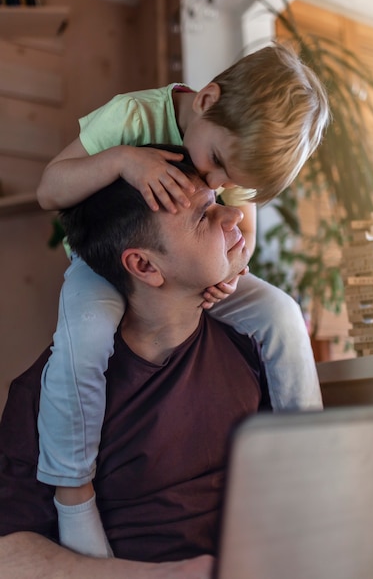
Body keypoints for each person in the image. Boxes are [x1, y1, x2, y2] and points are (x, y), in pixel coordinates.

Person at [36, 43, 329, 556]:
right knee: (81, 340)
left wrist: (233, 272)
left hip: (192, 264)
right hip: (103, 265)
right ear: (207, 99)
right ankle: (72, 495)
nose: (216, 185)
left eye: (229, 184)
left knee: (282, 312)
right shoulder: (130, 116)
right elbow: (50, 190)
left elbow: (244, 234)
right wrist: (122, 161)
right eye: (215, 165)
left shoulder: (232, 156)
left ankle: (306, 460)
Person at [0, 155, 271, 578]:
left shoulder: (251, 352)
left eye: (217, 198)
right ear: (145, 265)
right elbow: (8, 554)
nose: (234, 212)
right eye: (203, 216)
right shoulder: (50, 394)